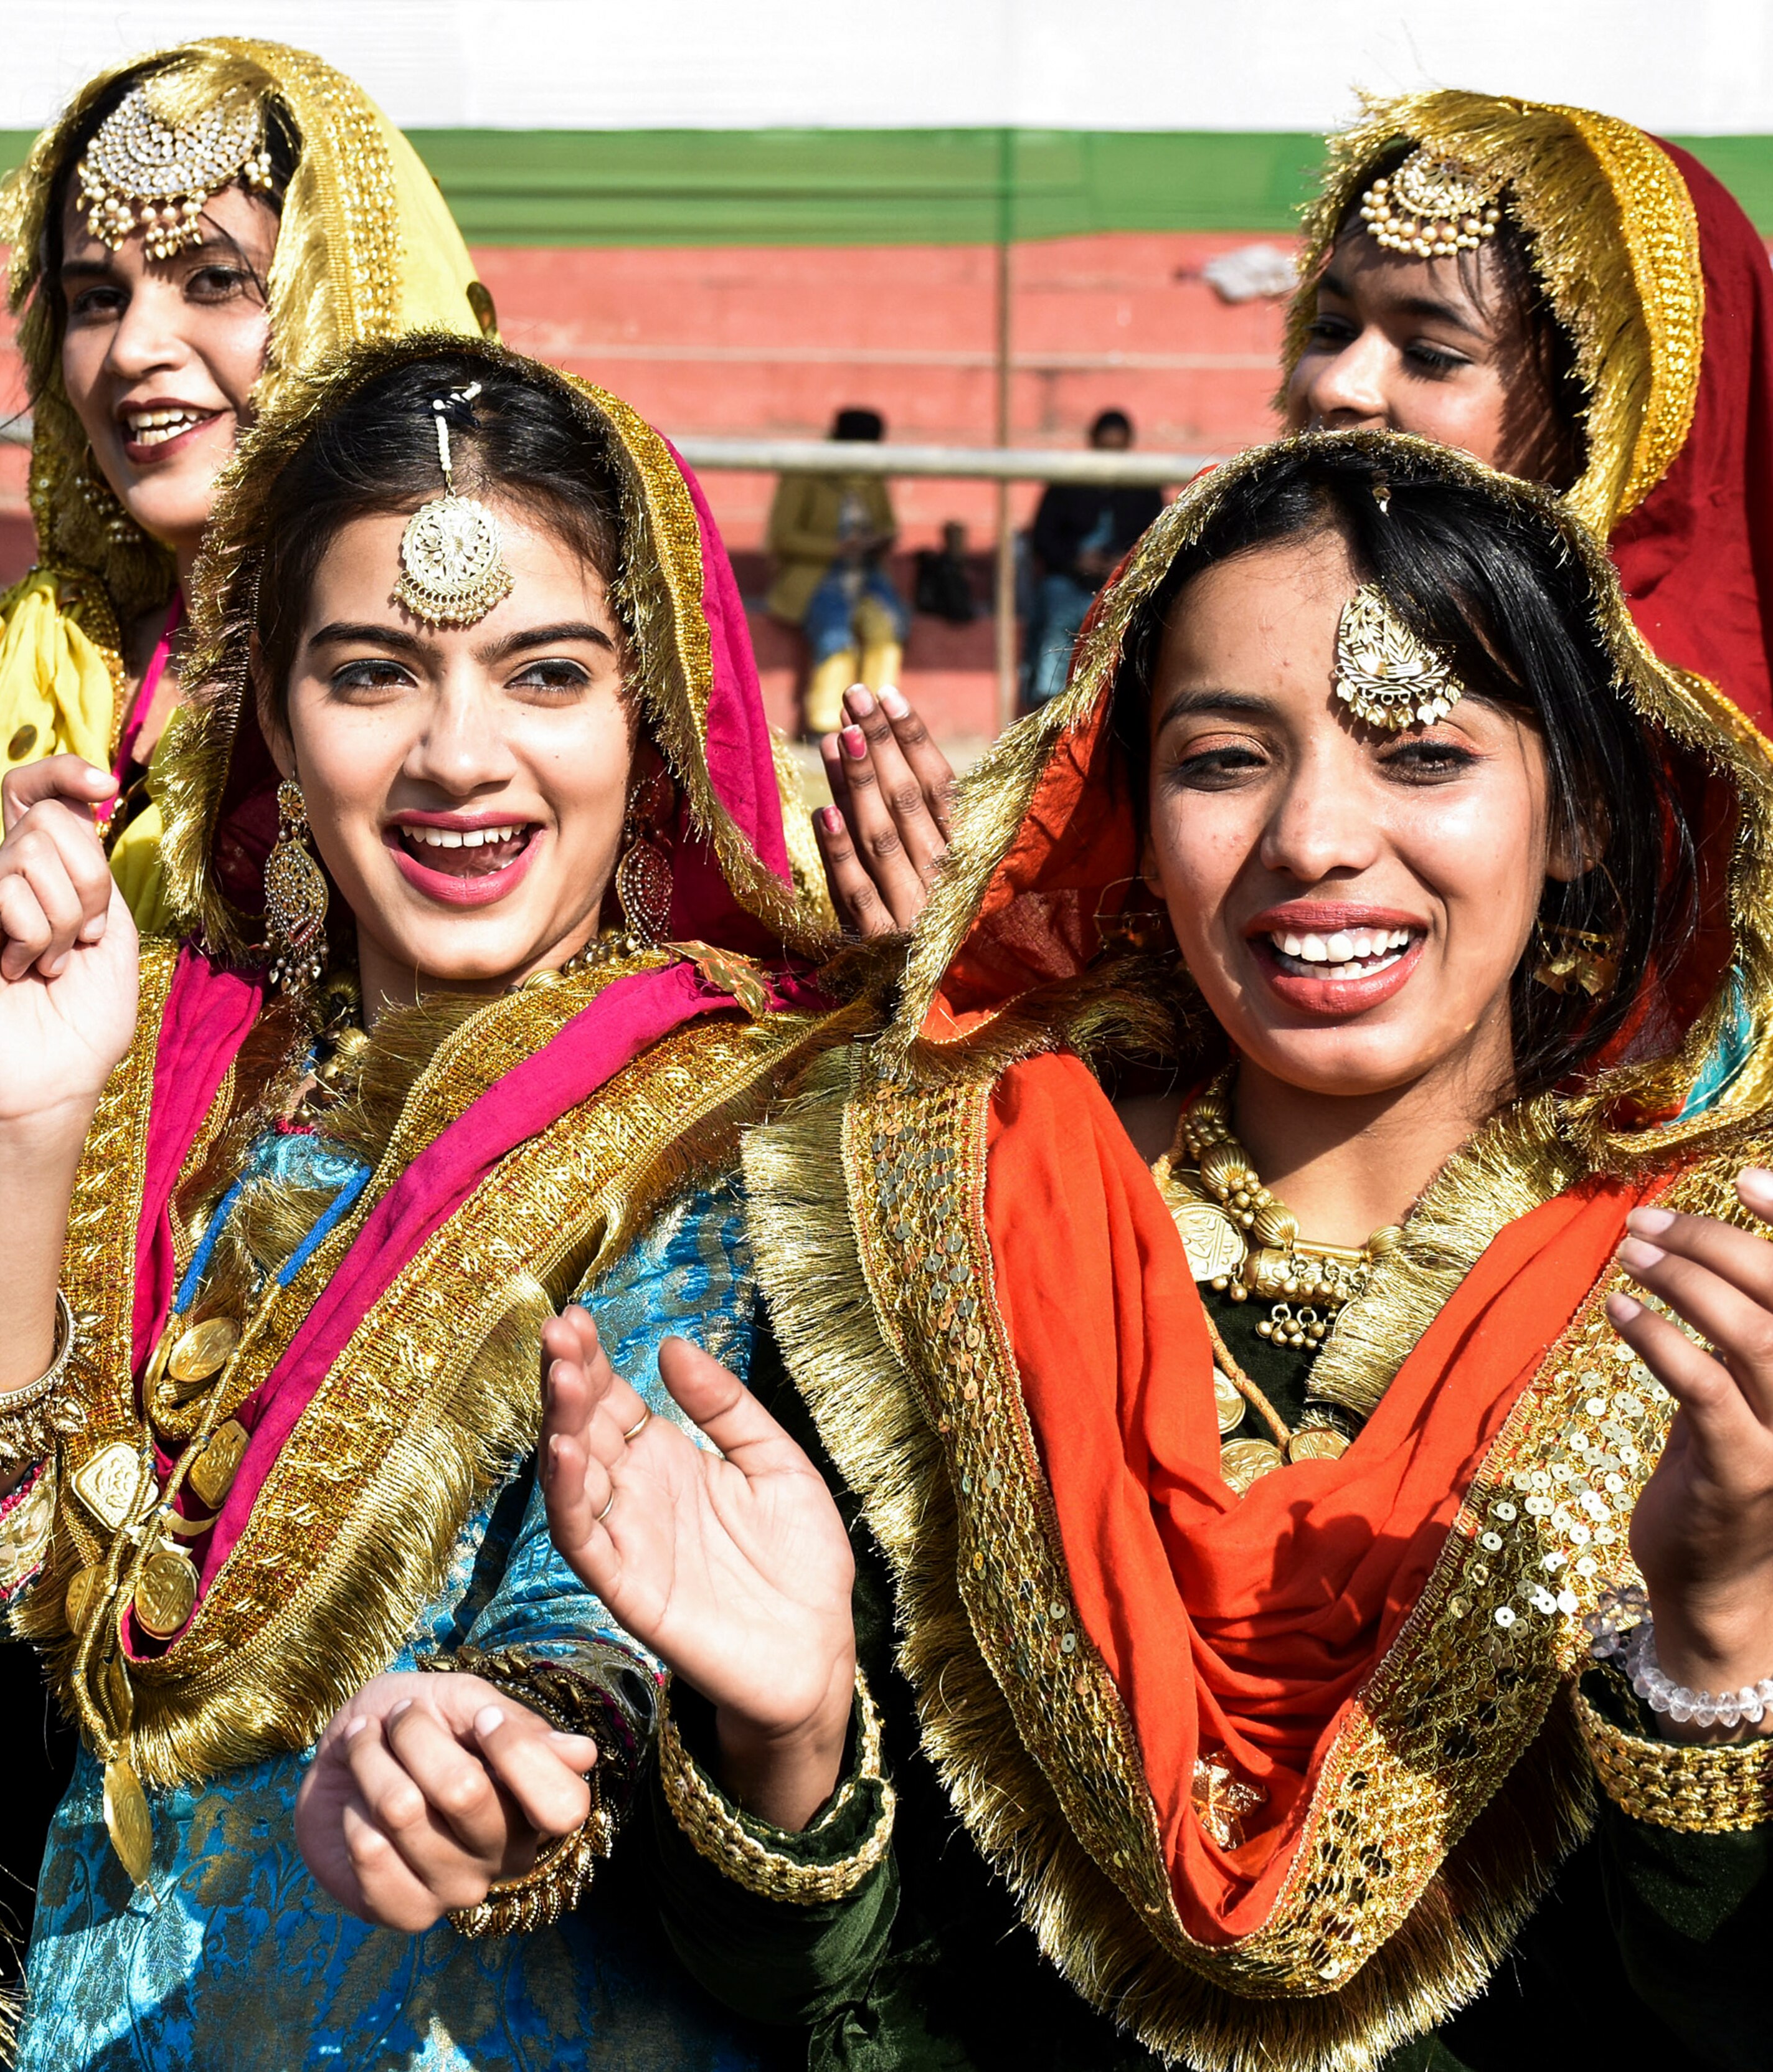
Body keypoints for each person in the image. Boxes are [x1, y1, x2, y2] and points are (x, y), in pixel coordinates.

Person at [543, 430, 1773, 2067]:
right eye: (1225, 759)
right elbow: (820, 1993)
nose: (1315, 836)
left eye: (1423, 755)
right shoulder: (935, 1208)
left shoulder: (1714, 1310)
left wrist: (1719, 1634)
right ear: (1130, 802)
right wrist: (789, 1733)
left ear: (1582, 815)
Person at [0, 336, 947, 2065]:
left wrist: (494, 1742)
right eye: (371, 675)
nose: (457, 755)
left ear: (647, 716)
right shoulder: (156, 1062)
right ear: (273, 717)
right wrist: (20, 1127)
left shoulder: (743, 1107)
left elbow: (629, 1557)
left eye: (545, 674)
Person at [0, 39, 491, 1158]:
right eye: (95, 298)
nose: (134, 347)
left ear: (346, 295)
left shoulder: (500, 692)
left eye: (216, 280)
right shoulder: (8, 690)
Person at [1284, 91, 1773, 733]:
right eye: (1330, 329)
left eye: (1431, 355)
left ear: (1603, 421)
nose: (1336, 386)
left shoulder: (1686, 742)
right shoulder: (1205, 585)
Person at [765, 407, 907, 737]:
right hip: (817, 577)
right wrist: (837, 548)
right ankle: (826, 724)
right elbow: (782, 537)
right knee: (836, 635)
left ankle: (878, 719)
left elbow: (887, 525)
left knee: (887, 629)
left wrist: (878, 540)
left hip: (867, 575)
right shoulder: (804, 472)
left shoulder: (871, 473)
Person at [1023, 408, 1163, 707]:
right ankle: (1050, 701)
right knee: (1059, 611)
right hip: (1068, 580)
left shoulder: (1145, 486)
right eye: (1105, 449)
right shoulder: (1067, 482)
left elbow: (1156, 542)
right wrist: (1075, 559)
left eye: (1117, 450)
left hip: (1122, 586)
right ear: (1093, 443)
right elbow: (1043, 539)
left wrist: (1125, 563)